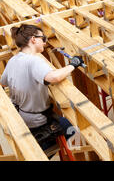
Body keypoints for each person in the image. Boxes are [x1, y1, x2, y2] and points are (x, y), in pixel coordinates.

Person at [0, 24, 83, 153]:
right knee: (74, 133)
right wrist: (74, 64)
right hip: (39, 121)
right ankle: (76, 152)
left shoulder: (13, 60)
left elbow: (4, 83)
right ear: (33, 39)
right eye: (43, 38)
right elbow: (54, 77)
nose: (45, 42)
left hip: (22, 116)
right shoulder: (34, 61)